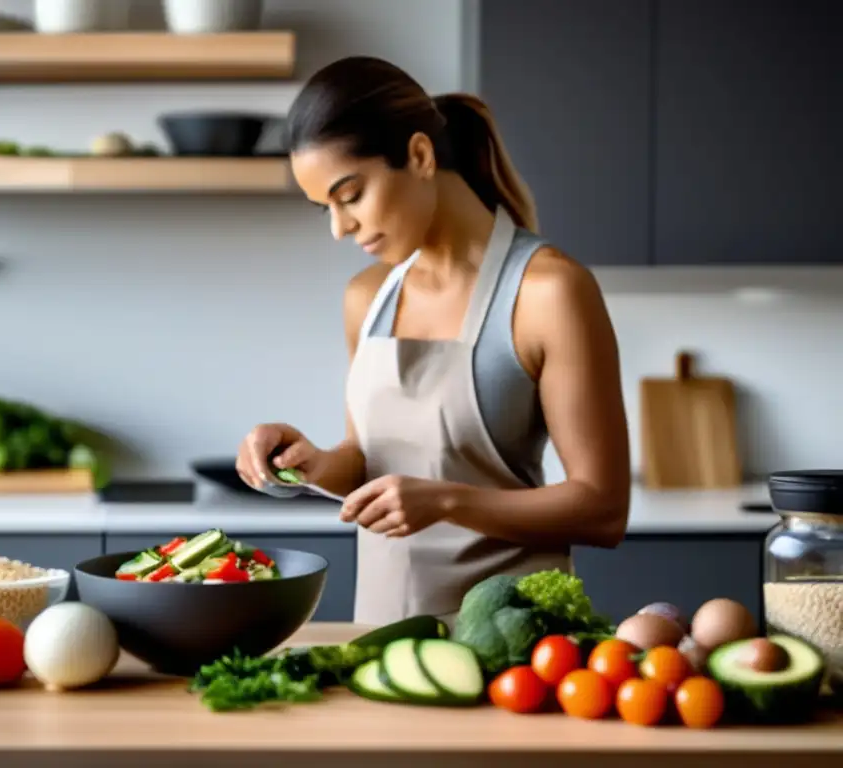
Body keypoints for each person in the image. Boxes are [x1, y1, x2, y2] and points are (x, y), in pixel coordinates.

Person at [236, 55, 630, 628]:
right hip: (382, 640)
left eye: (350, 195)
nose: (339, 228)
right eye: (325, 207)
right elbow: (368, 460)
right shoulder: (365, 297)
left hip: (516, 649)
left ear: (420, 156)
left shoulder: (549, 292)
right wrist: (312, 466)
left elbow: (603, 508)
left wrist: (447, 501)